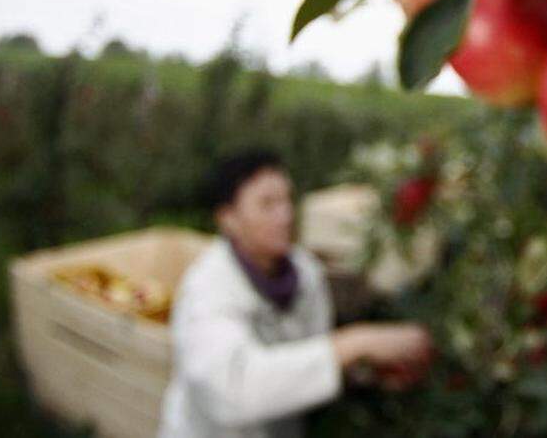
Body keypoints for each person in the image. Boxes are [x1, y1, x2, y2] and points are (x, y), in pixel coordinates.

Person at [159, 149, 433, 438]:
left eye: (286, 200)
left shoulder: (305, 272)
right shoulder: (208, 288)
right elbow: (231, 390)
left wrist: (364, 371)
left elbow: (309, 354)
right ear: (228, 218)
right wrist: (354, 344)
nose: (285, 215)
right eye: (267, 205)